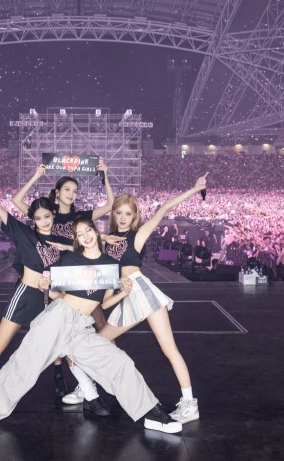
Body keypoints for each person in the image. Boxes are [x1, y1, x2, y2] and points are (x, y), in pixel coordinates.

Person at [0, 217, 181, 434]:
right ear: (77, 240)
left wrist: (124, 292)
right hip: (58, 319)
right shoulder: (70, 259)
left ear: (96, 232)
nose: (85, 236)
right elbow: (57, 294)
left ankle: (151, 413)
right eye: (79, 234)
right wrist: (45, 286)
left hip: (82, 326)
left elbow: (103, 303)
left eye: (87, 230)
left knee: (119, 362)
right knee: (24, 365)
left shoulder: (110, 264)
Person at [80, 173, 208, 424]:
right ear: (113, 214)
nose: (123, 217)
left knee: (169, 349)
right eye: (119, 212)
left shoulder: (137, 236)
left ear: (134, 216)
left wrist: (194, 189)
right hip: (125, 294)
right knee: (97, 343)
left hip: (141, 291)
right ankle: (88, 388)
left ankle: (189, 403)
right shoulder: (106, 242)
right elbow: (81, 239)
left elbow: (164, 208)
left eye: (128, 213)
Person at [0, 174, 73, 416]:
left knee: (66, 347)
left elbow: (86, 247)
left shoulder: (61, 241)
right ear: (33, 220)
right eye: (38, 218)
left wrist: (70, 247)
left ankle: (84, 391)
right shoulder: (24, 233)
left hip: (50, 299)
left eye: (47, 217)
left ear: (53, 215)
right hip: (25, 296)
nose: (43, 222)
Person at [11, 161, 116, 394]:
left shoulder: (80, 216)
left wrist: (105, 176)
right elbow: (17, 201)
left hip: (80, 275)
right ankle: (59, 375)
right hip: (56, 276)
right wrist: (36, 176)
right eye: (67, 189)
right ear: (57, 192)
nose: (71, 194)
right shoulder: (49, 214)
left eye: (75, 191)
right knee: (59, 328)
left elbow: (110, 205)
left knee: (100, 323)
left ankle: (109, 372)